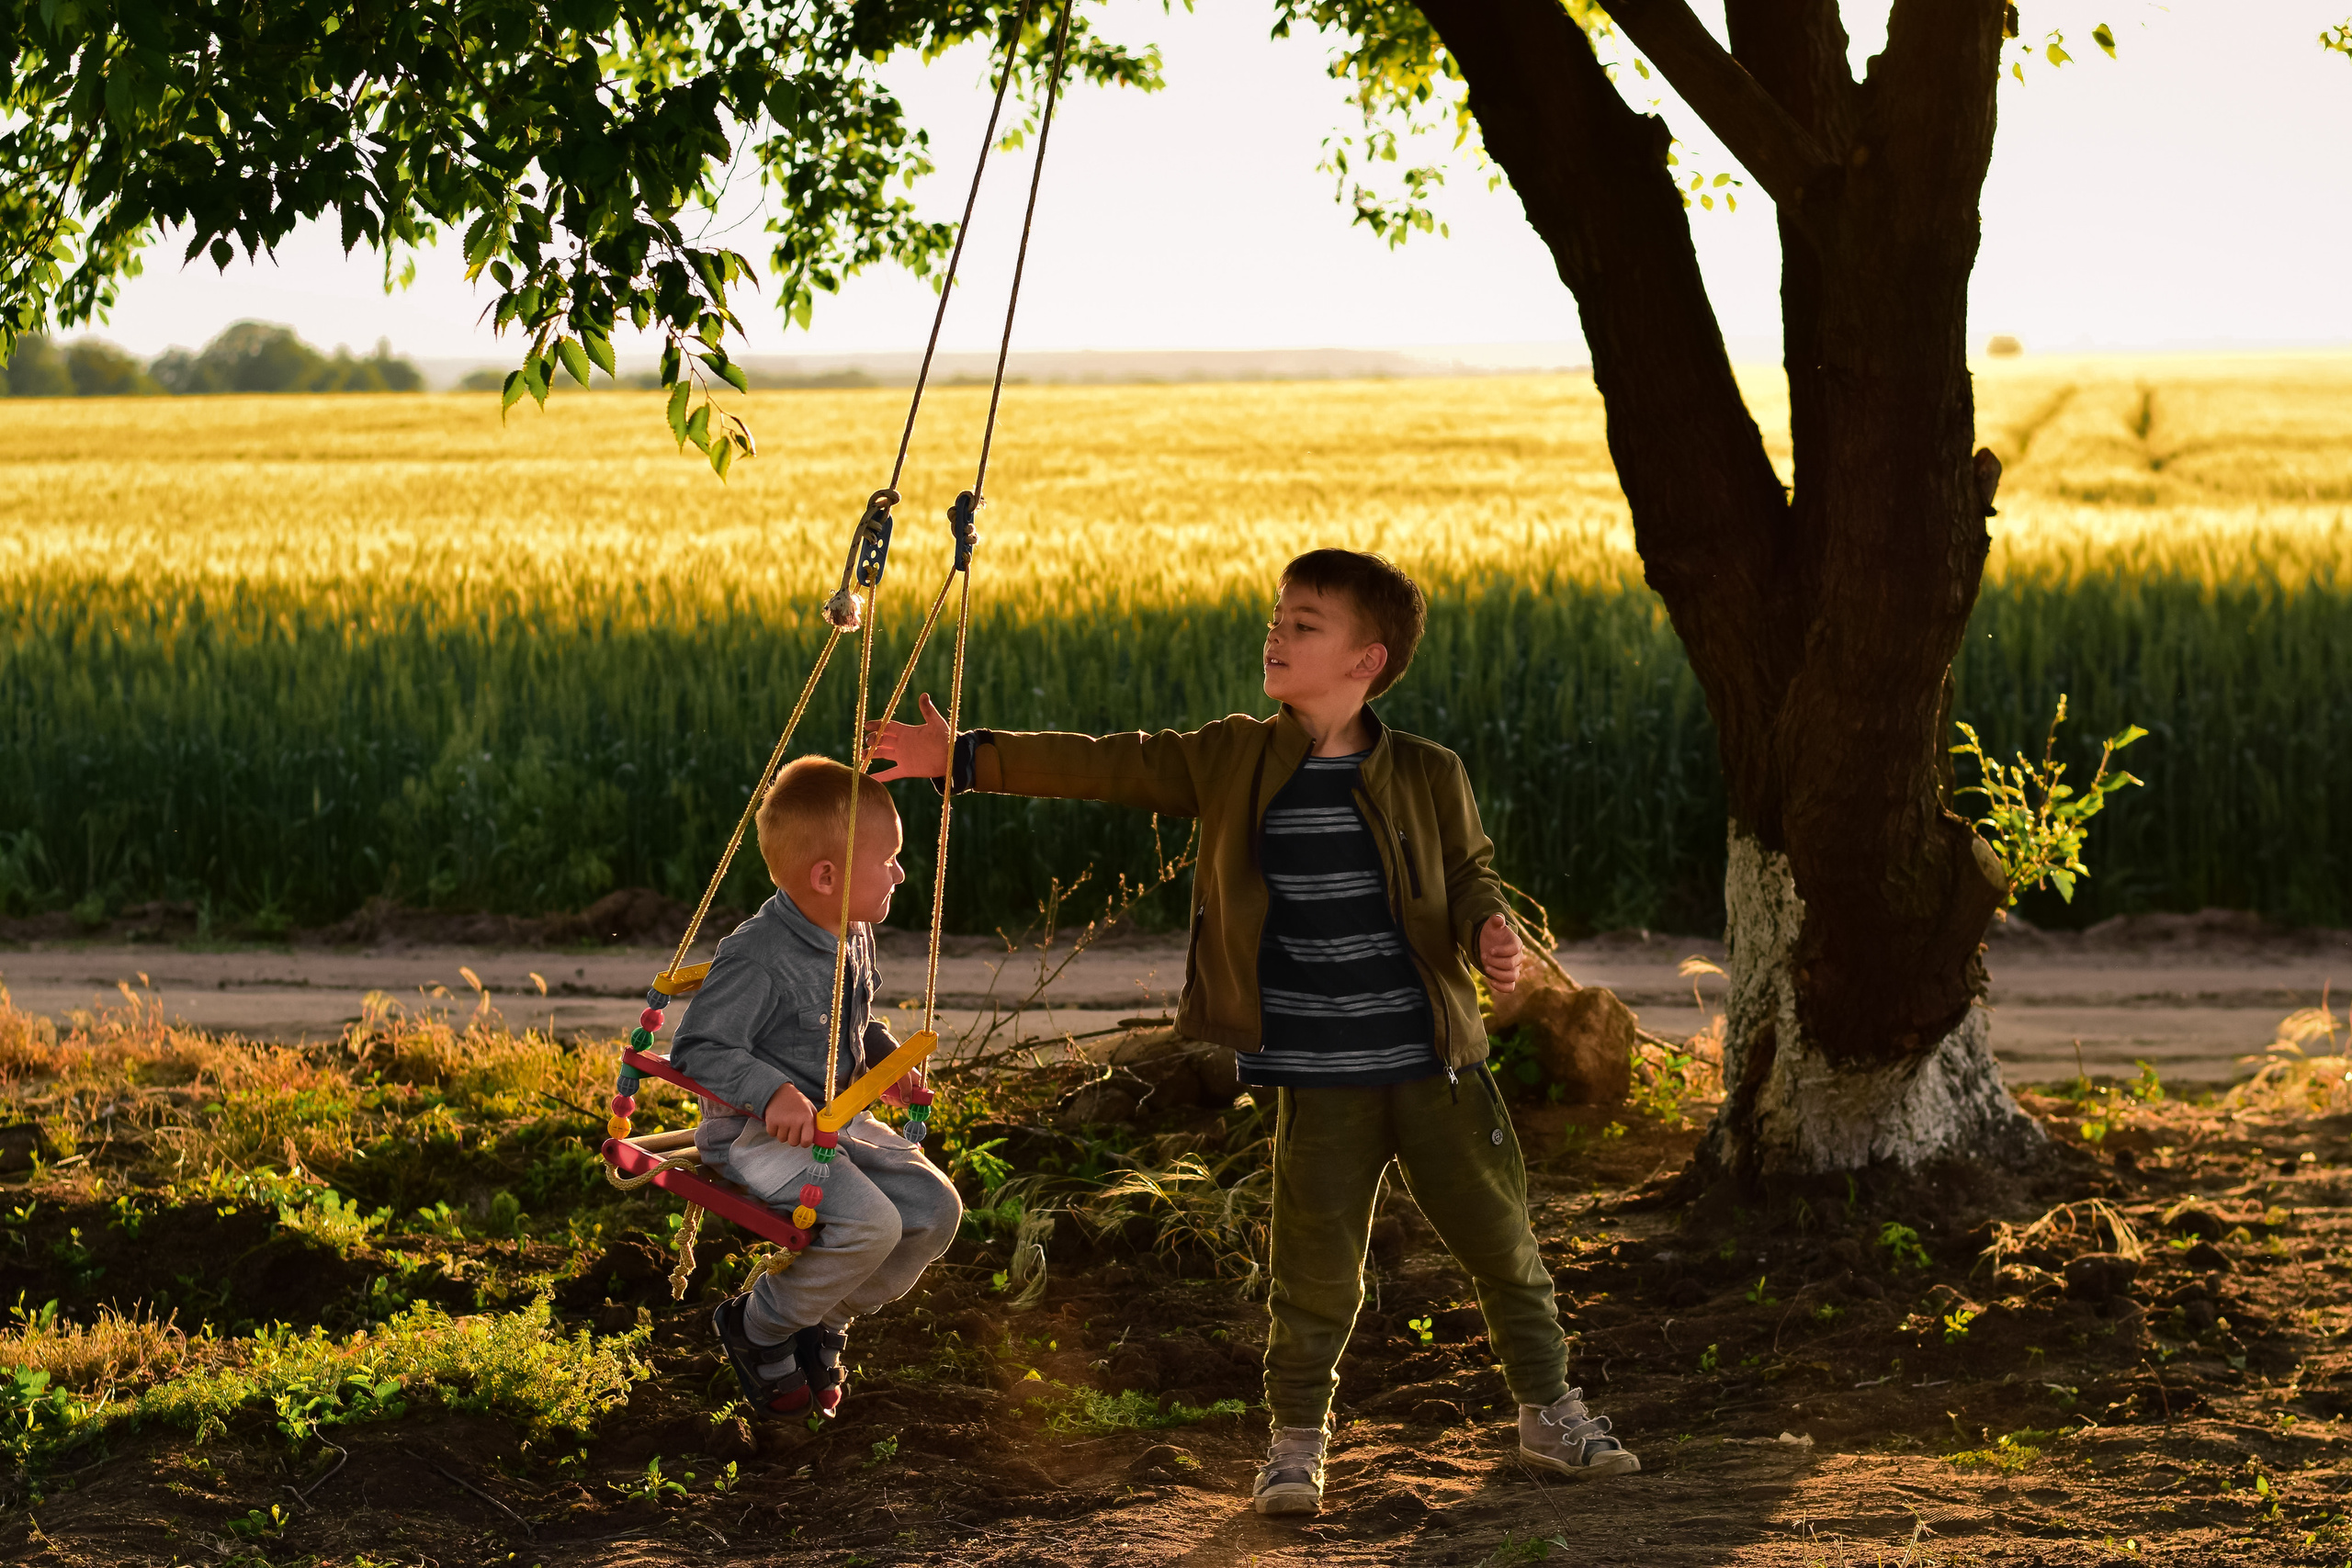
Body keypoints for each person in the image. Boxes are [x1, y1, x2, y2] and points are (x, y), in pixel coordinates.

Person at [870, 548, 1638, 1514]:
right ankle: (1293, 1445)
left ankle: (1549, 1413)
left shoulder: (1430, 773)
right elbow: (1113, 762)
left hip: (1434, 1063)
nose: (1276, 632)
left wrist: (1490, 928)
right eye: (1277, 615)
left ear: (1368, 659)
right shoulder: (1231, 756)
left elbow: (1470, 874)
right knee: (1312, 1267)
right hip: (1316, 1073)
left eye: (1305, 622)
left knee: (1501, 1247)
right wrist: (967, 757)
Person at [671, 756, 961, 1420]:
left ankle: (822, 1312)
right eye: (886, 859)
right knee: (872, 1224)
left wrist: (883, 1060)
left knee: (936, 1210)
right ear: (826, 877)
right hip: (754, 1134)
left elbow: (854, 1021)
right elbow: (700, 1048)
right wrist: (771, 1092)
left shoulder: (853, 931)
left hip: (838, 1122)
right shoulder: (758, 954)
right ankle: (761, 1324)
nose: (900, 871)